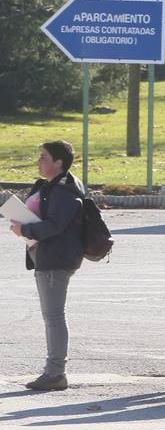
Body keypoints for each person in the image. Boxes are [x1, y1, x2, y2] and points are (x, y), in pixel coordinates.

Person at [9, 141, 84, 391]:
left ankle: (55, 373)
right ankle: (54, 371)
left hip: (55, 258)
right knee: (53, 315)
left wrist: (25, 229)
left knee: (54, 316)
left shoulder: (63, 190)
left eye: (44, 157)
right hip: (51, 255)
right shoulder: (55, 186)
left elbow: (54, 225)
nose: (39, 161)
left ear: (58, 163)